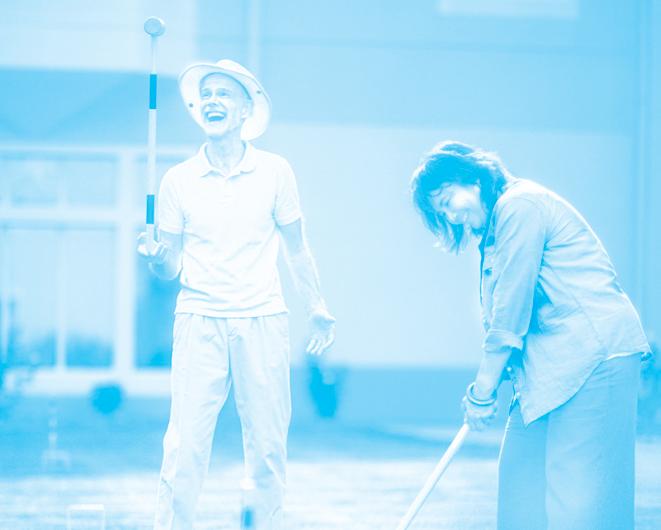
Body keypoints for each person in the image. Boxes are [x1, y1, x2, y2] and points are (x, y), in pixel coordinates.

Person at [410, 141, 650, 530]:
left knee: (581, 504)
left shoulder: (520, 206)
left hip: (593, 359)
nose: (452, 217)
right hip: (545, 373)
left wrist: (482, 392)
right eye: (443, 213)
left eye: (448, 201)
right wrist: (495, 381)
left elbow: (511, 310)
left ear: (473, 178)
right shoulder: (495, 229)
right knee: (522, 490)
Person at [138, 59, 336, 530]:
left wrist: (317, 306)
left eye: (223, 93)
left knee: (267, 447)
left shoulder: (276, 171)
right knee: (184, 446)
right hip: (198, 320)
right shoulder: (177, 180)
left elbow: (297, 248)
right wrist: (156, 257)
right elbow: (170, 267)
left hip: (263, 319)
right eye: (205, 94)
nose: (212, 101)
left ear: (247, 109)